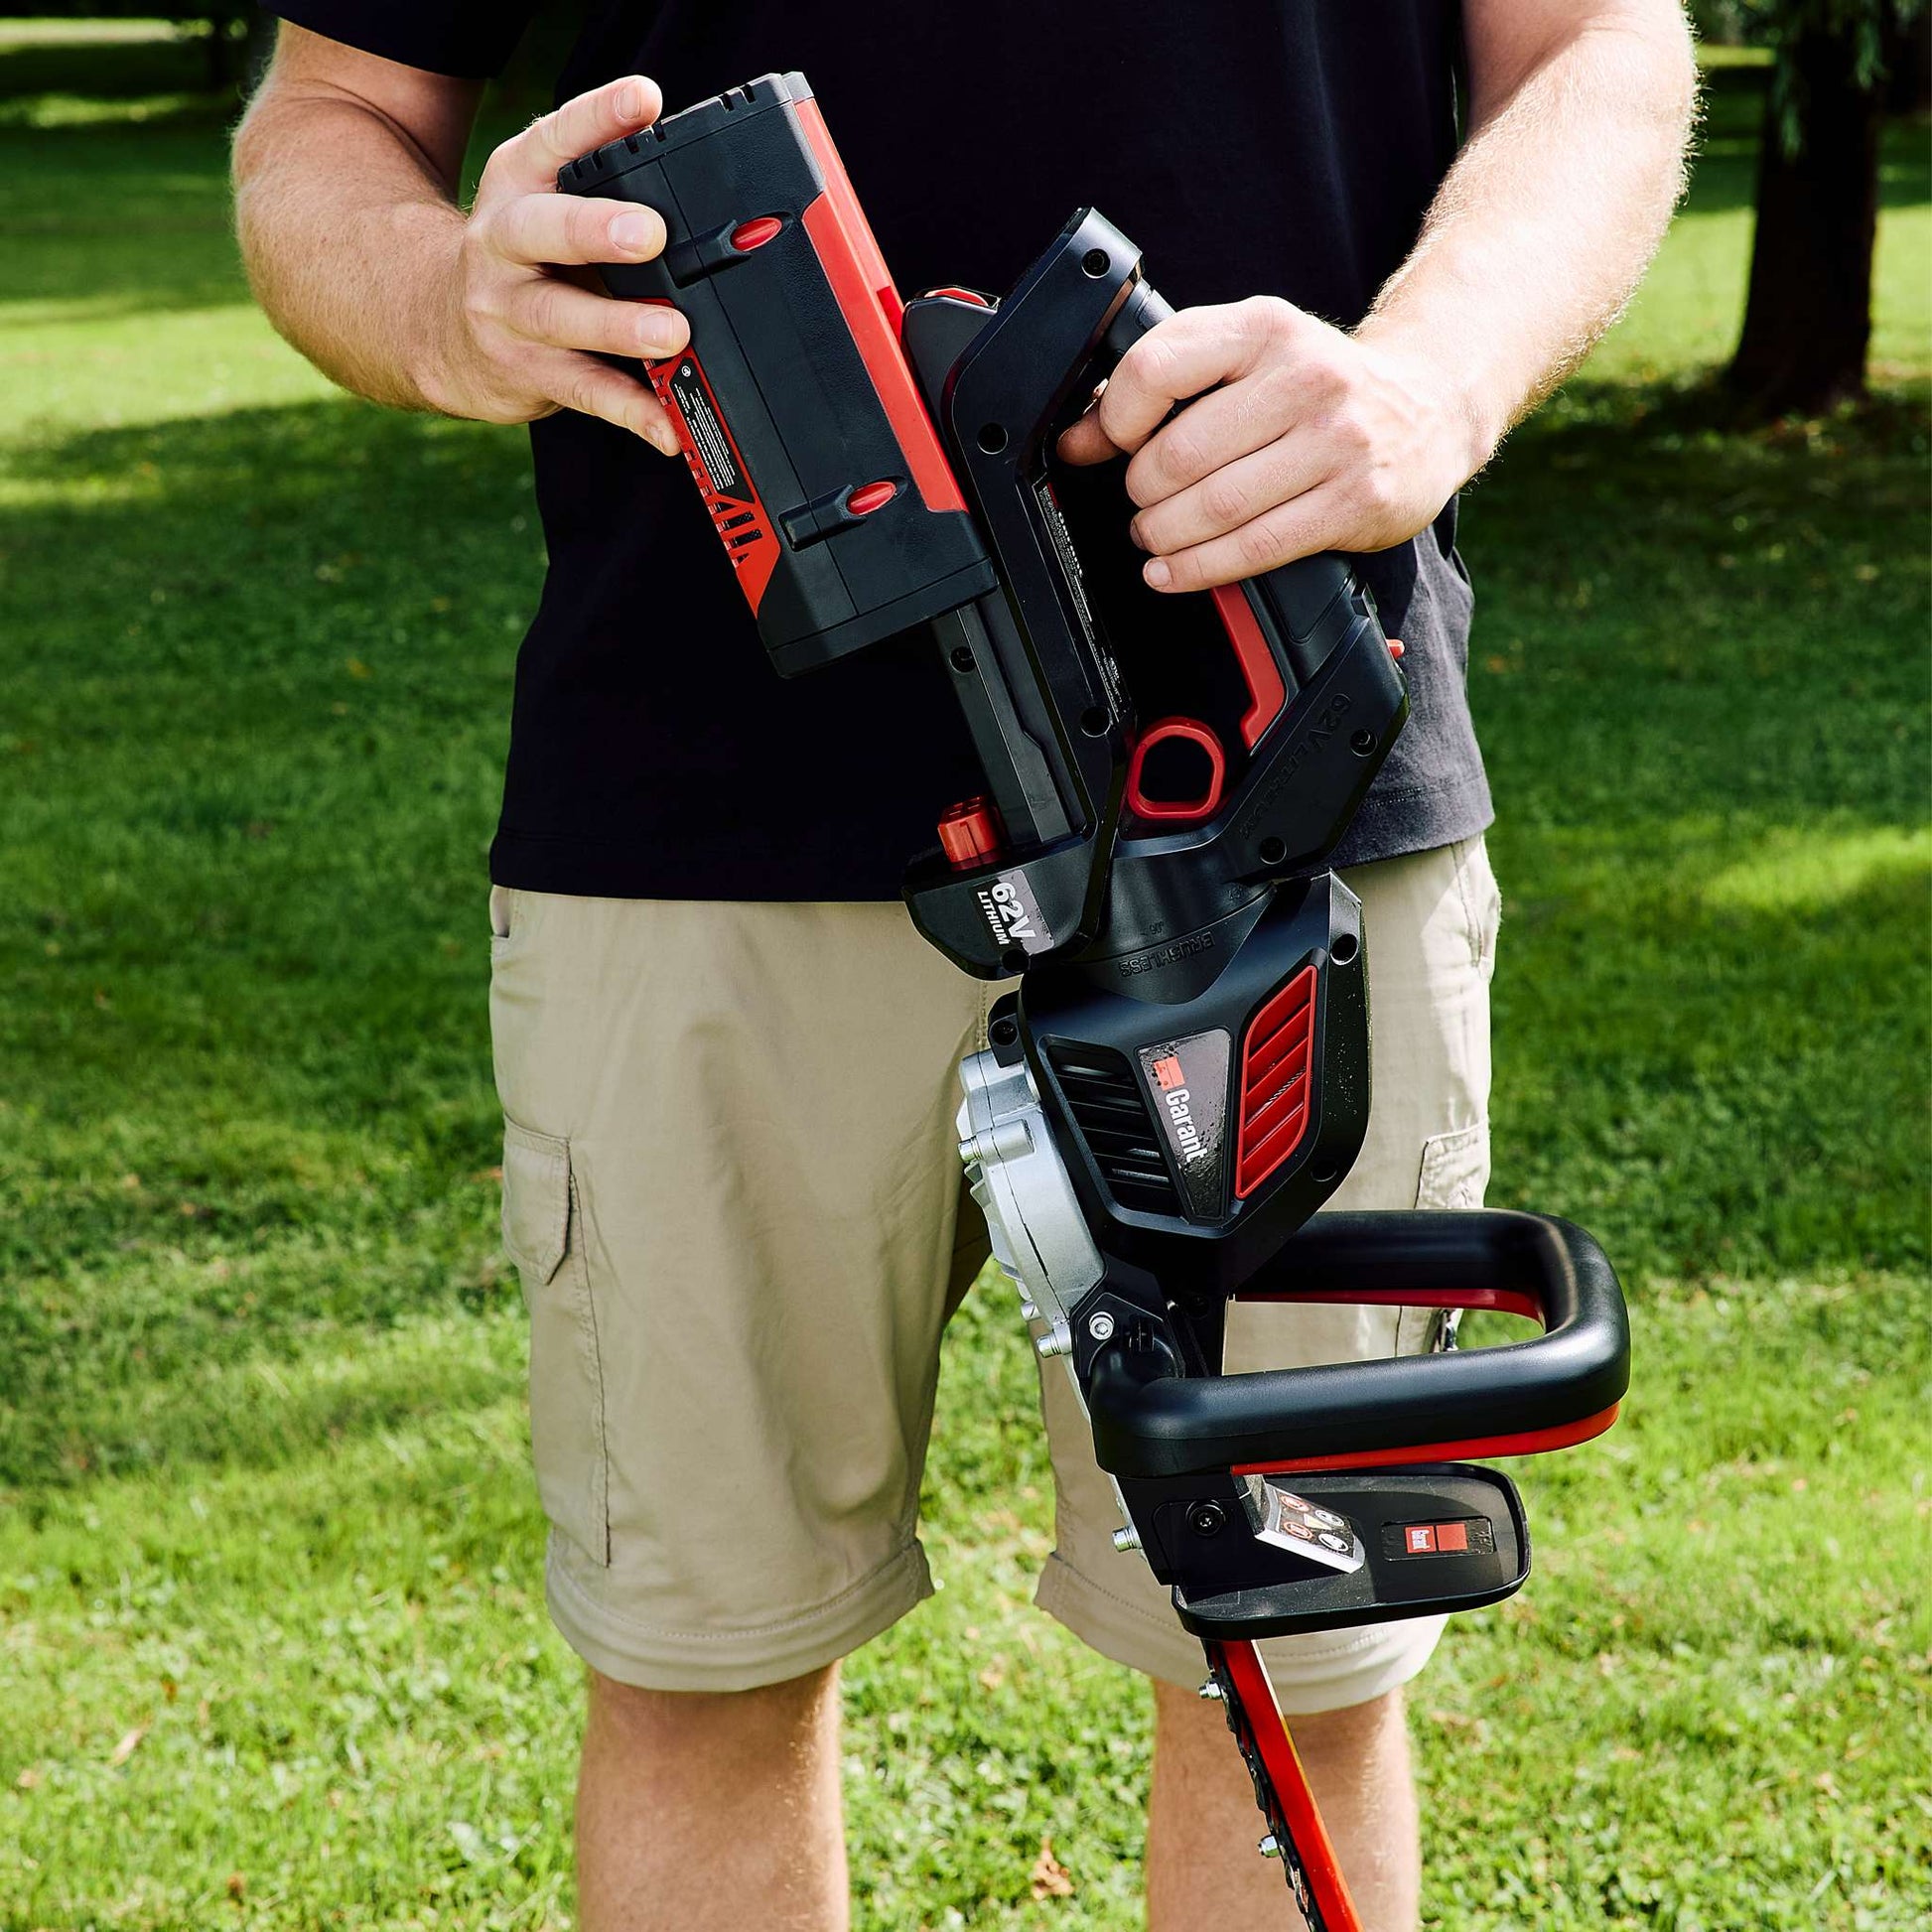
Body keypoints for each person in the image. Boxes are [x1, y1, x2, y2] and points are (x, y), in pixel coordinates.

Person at [232, 6, 1695, 1927]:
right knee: (702, 1667)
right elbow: (330, 113)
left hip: (1282, 766)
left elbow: (1592, 41)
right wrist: (441, 299)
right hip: (701, 816)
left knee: (1288, 1670)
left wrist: (1430, 378)